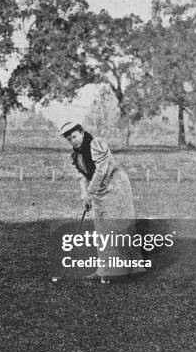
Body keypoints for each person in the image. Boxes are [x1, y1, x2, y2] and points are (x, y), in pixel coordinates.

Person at [59, 121, 144, 283]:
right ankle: (106, 269)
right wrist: (85, 195)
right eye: (69, 139)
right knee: (102, 230)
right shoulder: (76, 155)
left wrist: (90, 193)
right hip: (99, 190)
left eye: (74, 136)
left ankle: (124, 269)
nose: (73, 140)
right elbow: (83, 176)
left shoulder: (96, 144)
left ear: (82, 132)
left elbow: (101, 170)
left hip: (116, 187)